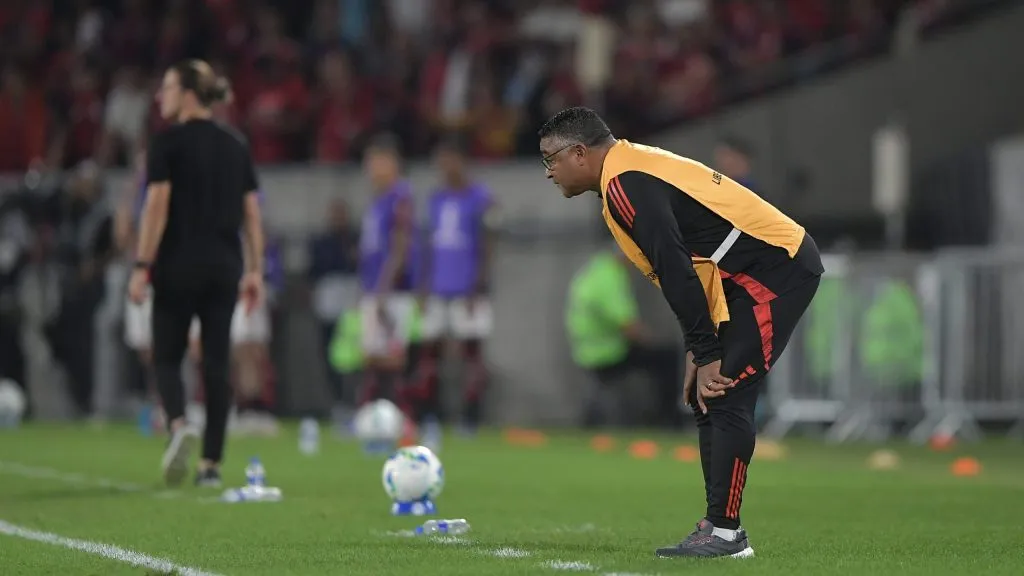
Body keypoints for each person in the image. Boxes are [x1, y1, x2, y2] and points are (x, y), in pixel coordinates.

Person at [538, 107, 823, 559]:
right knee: (707, 396)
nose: (548, 172)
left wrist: (706, 351)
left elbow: (676, 269)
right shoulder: (627, 170)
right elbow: (691, 266)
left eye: (550, 159)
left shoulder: (625, 182)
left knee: (725, 390)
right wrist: (699, 347)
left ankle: (726, 534)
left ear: (578, 153)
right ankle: (717, 524)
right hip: (740, 278)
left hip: (773, 270)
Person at [128, 59, 265, 488]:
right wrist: (256, 270)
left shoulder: (166, 143)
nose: (160, 96)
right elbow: (252, 213)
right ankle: (211, 465)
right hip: (224, 267)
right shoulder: (236, 144)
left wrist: (141, 265)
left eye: (167, 88)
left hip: (177, 264)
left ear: (187, 94)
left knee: (167, 356)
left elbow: (156, 205)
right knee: (217, 362)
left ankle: (178, 424)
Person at [415, 136, 496, 438]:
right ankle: (430, 415)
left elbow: (488, 244)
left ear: (462, 161)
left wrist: (479, 285)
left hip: (468, 288)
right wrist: (423, 286)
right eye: (440, 162)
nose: (444, 167)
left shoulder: (481, 198)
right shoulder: (435, 199)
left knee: (471, 355)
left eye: (448, 160)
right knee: (430, 355)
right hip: (437, 287)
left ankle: (471, 417)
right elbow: (429, 245)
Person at [566, 246, 683, 428]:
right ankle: (668, 419)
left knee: (659, 356)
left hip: (586, 350)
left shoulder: (596, 270)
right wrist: (650, 340)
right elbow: (627, 324)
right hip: (608, 352)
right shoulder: (610, 278)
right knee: (668, 358)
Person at [357, 135, 416, 411]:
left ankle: (398, 411)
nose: (368, 168)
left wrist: (384, 286)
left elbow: (400, 245)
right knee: (371, 352)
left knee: (391, 354)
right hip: (373, 286)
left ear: (390, 162)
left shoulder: (400, 196)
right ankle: (376, 412)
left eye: (373, 161)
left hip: (391, 289)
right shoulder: (377, 200)